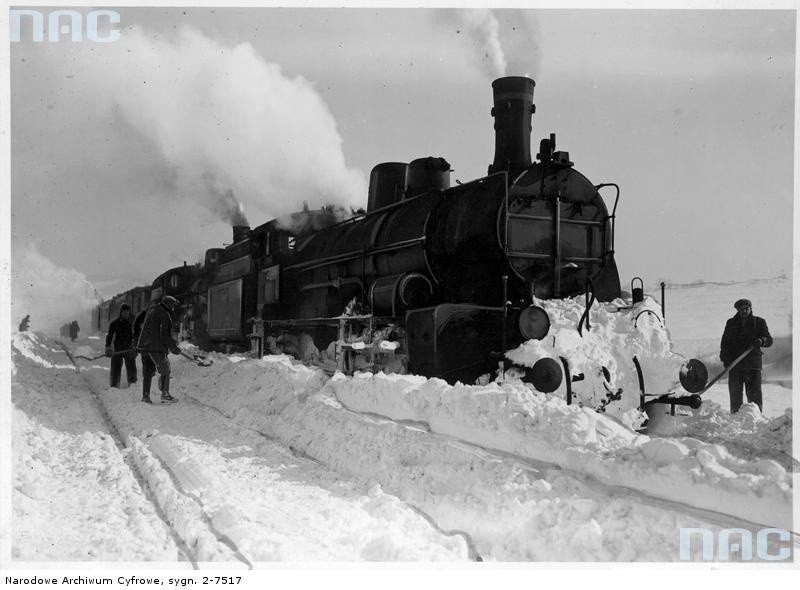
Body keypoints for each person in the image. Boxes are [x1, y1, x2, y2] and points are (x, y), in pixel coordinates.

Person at [719, 298, 773, 413]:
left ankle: (756, 419)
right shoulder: (731, 323)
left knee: (754, 396)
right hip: (735, 365)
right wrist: (725, 359)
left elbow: (769, 340)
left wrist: (761, 340)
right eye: (741, 309)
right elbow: (725, 343)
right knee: (735, 395)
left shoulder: (759, 322)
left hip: (752, 365)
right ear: (737, 310)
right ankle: (735, 418)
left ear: (750, 308)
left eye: (746, 309)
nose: (744, 311)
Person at [136, 295, 181, 404]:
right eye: (173, 305)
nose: (173, 308)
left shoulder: (153, 311)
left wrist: (140, 345)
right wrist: (173, 347)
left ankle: (145, 396)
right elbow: (164, 335)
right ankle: (165, 394)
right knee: (166, 368)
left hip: (145, 347)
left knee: (148, 371)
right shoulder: (164, 314)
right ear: (168, 304)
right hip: (155, 348)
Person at [105, 303, 137, 388]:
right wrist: (108, 347)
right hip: (118, 349)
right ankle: (114, 384)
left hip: (129, 348)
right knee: (115, 367)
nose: (126, 314)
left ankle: (132, 383)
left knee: (131, 367)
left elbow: (136, 335)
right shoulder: (114, 323)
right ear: (121, 312)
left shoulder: (132, 323)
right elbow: (109, 336)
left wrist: (135, 345)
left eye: (127, 312)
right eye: (124, 312)